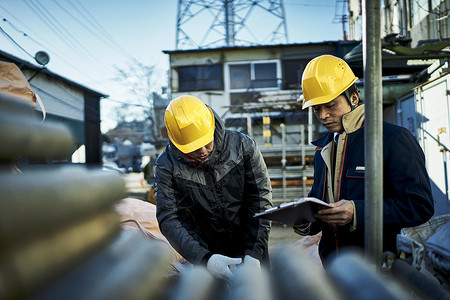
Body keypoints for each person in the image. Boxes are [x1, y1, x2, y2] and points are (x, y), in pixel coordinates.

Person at [295, 54, 434, 264]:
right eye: (316, 109)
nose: (323, 115)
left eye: (330, 105)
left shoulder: (393, 139)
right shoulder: (323, 148)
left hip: (381, 267)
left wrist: (357, 212)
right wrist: (304, 220)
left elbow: (420, 205)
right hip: (335, 268)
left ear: (353, 97)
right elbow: (319, 202)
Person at [155, 95, 272, 281]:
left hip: (251, 246)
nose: (202, 151)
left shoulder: (243, 146)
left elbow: (260, 199)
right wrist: (205, 259)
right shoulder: (166, 165)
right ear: (178, 144)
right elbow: (169, 218)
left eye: (206, 142)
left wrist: (254, 252)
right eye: (193, 148)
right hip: (206, 254)